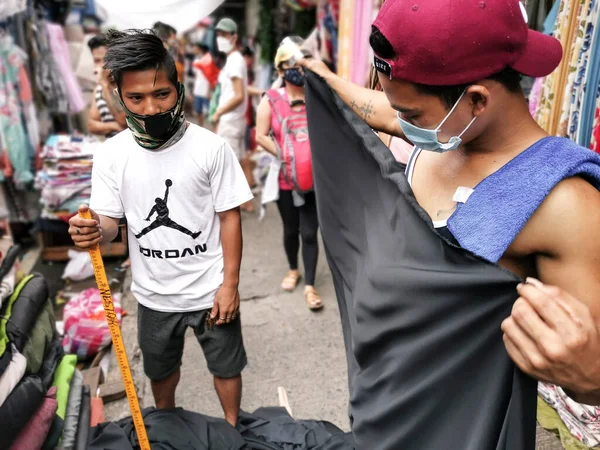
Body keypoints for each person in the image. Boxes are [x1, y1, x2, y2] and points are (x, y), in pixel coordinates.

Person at [301, 0, 600, 442]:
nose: (401, 122)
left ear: (477, 98)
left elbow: (584, 372)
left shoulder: (564, 205)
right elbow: (385, 111)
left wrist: (591, 375)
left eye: (412, 115)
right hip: (388, 407)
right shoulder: (446, 134)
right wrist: (324, 79)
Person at [68, 29, 253, 427]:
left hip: (210, 291)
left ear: (179, 89)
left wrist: (230, 285)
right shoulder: (112, 155)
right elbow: (110, 226)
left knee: (226, 366)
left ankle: (234, 426)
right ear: (120, 97)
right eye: (136, 98)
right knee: (160, 371)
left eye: (162, 94)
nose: (151, 108)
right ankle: (168, 427)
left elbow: (229, 216)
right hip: (153, 296)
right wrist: (91, 232)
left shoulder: (211, 148)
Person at [255, 37, 322, 311]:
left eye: (301, 63)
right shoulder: (271, 100)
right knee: (290, 229)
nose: (298, 69)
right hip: (284, 179)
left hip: (315, 180)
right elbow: (260, 136)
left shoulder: (317, 98)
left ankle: (310, 285)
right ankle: (293, 269)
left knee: (309, 232)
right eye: (291, 64)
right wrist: (285, 153)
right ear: (281, 70)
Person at [211, 18, 253, 212]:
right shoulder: (234, 60)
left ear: (234, 37)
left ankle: (236, 203)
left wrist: (219, 112)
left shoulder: (235, 61)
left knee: (229, 161)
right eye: (219, 34)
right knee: (240, 157)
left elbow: (238, 95)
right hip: (234, 119)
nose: (221, 38)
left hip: (230, 119)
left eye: (225, 35)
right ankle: (247, 199)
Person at [86, 34, 127, 138]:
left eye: (106, 60)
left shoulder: (128, 84)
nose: (101, 66)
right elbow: (91, 125)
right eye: (97, 61)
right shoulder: (99, 89)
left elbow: (123, 121)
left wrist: (105, 84)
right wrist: (115, 126)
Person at [191, 43, 211, 125]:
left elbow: (210, 77)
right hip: (197, 90)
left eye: (195, 48)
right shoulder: (196, 60)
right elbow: (196, 76)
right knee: (197, 112)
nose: (194, 50)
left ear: (200, 49)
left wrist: (209, 91)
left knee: (207, 113)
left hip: (205, 91)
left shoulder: (208, 61)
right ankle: (200, 126)